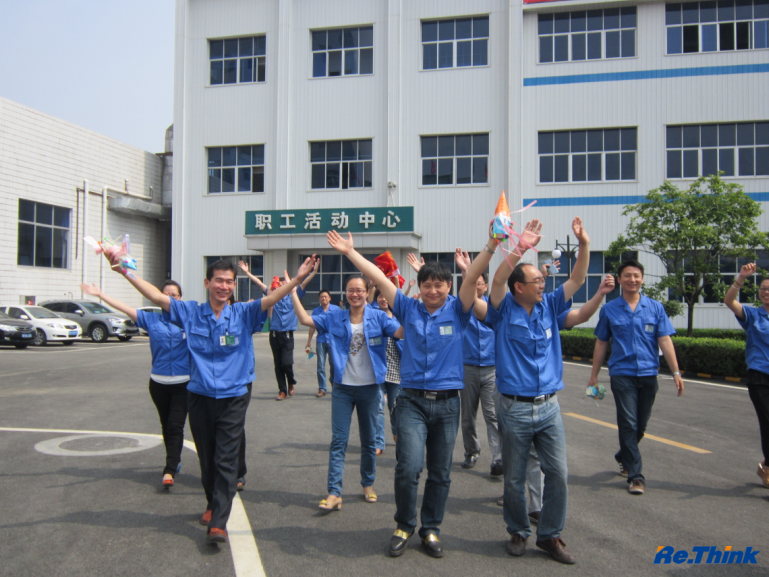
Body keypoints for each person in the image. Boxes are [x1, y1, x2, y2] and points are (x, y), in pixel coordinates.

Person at [106, 253, 317, 544]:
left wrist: (296, 279)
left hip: (235, 394)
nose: (224, 286)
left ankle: (219, 521)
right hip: (200, 395)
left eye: (230, 282)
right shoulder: (190, 312)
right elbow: (156, 296)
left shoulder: (242, 313)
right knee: (207, 458)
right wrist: (123, 272)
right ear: (207, 283)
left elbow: (269, 299)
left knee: (226, 457)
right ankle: (212, 502)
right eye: (219, 280)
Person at [327, 230, 479, 559]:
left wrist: (488, 250)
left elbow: (474, 280)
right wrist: (351, 253)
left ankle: (431, 528)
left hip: (449, 403)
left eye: (439, 285)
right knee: (408, 466)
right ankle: (404, 525)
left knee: (440, 471)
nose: (433, 290)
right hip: (411, 401)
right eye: (427, 285)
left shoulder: (459, 311)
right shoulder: (408, 308)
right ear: (420, 287)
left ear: (448, 287)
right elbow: (377, 276)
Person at [466, 217, 589, 565]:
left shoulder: (550, 306)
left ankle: (549, 535)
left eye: (543, 279)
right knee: (515, 477)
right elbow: (499, 278)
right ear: (519, 287)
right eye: (536, 280)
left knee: (558, 474)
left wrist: (584, 244)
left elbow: (577, 278)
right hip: (514, 407)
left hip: (549, 406)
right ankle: (518, 531)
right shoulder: (502, 310)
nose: (543, 283)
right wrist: (519, 248)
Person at [290, 274, 402, 510]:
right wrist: (292, 289)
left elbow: (401, 332)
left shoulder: (379, 317)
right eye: (350, 290)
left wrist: (403, 301)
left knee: (369, 441)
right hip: (342, 388)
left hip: (370, 389)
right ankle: (334, 492)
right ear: (345, 293)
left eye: (359, 290)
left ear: (366, 291)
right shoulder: (334, 316)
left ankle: (367, 484)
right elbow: (303, 318)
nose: (355, 294)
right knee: (338, 441)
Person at [588, 259, 684, 497]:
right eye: (627, 276)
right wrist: (594, 376)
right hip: (622, 374)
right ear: (619, 280)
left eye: (636, 275)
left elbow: (665, 341)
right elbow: (602, 342)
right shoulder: (609, 310)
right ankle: (635, 476)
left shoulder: (655, 308)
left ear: (642, 279)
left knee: (641, 425)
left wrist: (676, 372)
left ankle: (623, 455)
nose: (632, 279)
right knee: (628, 423)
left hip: (649, 374)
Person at [80, 280, 189, 488]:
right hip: (158, 383)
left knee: (176, 425)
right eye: (166, 294)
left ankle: (169, 469)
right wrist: (100, 294)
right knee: (166, 425)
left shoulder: (187, 319)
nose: (170, 298)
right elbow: (124, 308)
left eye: (174, 295)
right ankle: (175, 458)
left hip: (183, 383)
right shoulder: (151, 319)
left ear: (180, 298)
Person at [453, 249, 503, 477]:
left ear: (485, 286)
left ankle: (498, 458)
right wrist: (466, 271)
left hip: (492, 370)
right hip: (468, 369)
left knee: (492, 415)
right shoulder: (463, 309)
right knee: (468, 415)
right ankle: (471, 451)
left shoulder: (494, 310)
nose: (478, 285)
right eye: (475, 281)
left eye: (481, 282)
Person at [724, 263, 769, 487]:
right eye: (763, 288)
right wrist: (741, 277)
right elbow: (729, 302)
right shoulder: (752, 314)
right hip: (760, 376)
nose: (766, 292)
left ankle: (767, 466)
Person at [264, 259, 319, 400]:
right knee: (278, 364)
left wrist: (313, 272)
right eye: (280, 284)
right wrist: (247, 273)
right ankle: (282, 391)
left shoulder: (293, 296)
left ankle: (291, 381)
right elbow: (261, 285)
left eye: (285, 284)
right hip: (274, 334)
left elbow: (304, 282)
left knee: (286, 363)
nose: (282, 286)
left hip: (288, 334)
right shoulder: (274, 297)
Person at [373, 287, 403, 452]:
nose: (383, 299)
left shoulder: (399, 317)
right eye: (380, 297)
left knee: (395, 407)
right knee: (377, 407)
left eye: (386, 296)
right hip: (377, 370)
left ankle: (397, 433)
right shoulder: (372, 317)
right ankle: (378, 443)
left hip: (396, 370)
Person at [304, 289, 340, 397]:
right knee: (320, 365)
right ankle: (322, 388)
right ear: (319, 299)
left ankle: (334, 384)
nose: (323, 298)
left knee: (334, 364)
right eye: (321, 297)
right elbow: (312, 326)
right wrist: (309, 341)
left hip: (333, 340)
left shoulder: (336, 309)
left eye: (325, 296)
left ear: (329, 298)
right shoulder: (316, 311)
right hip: (321, 339)